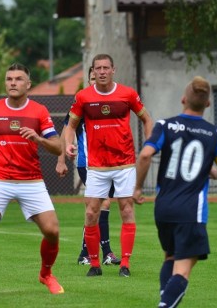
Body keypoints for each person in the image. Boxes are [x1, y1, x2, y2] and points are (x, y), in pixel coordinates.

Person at [0, 63, 65, 298]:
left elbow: (58, 146)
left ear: (28, 85)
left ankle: (46, 274)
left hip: (31, 180)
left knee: (52, 231)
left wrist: (39, 139)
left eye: (18, 79)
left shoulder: (39, 111)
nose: (13, 83)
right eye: (9, 79)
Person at [133, 76, 217, 307]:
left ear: (183, 99)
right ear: (207, 104)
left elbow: (146, 154)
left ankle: (165, 301)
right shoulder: (215, 133)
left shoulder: (164, 125)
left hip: (164, 207)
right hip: (191, 211)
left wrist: (138, 187)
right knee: (183, 270)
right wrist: (212, 173)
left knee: (170, 257)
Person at [64, 53, 153, 278]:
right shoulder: (83, 97)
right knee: (92, 213)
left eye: (106, 68)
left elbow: (146, 119)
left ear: (113, 70)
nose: (102, 72)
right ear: (92, 72)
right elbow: (70, 125)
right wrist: (67, 144)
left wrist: (149, 145)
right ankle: (95, 264)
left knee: (126, 210)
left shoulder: (127, 94)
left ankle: (125, 264)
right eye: (98, 68)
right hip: (96, 167)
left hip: (124, 165)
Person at [56, 67, 121, 266]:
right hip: (88, 163)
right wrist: (61, 160)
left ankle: (86, 253)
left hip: (109, 164)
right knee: (103, 204)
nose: (95, 82)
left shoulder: (111, 104)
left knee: (95, 208)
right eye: (91, 79)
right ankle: (105, 253)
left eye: (97, 78)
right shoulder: (82, 104)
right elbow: (65, 132)